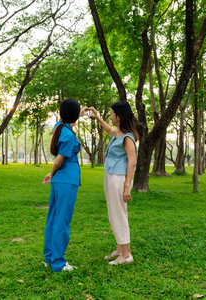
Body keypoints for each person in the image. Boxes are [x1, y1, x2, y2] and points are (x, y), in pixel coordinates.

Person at [87, 102, 137, 265]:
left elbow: (132, 162)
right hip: (110, 176)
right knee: (113, 213)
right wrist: (98, 117)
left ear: (119, 115)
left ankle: (127, 254)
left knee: (119, 214)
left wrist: (127, 186)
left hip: (118, 178)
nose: (110, 115)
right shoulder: (118, 133)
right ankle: (120, 249)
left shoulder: (128, 137)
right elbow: (109, 129)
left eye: (112, 113)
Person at [42, 98, 86, 272]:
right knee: (62, 221)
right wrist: (51, 173)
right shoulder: (68, 135)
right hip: (66, 180)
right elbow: (60, 160)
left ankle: (49, 258)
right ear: (73, 116)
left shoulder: (59, 128)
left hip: (60, 181)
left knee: (53, 218)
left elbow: (67, 121)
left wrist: (78, 114)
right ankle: (58, 263)